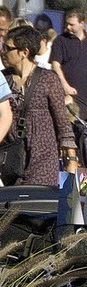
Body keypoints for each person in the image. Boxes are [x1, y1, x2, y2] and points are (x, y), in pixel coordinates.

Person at [2, 26, 77, 185]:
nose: (3, 51)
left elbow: (62, 122)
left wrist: (71, 159)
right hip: (11, 160)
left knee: (37, 206)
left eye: (8, 48)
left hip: (42, 159)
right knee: (10, 208)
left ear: (24, 52)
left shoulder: (48, 79)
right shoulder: (4, 79)